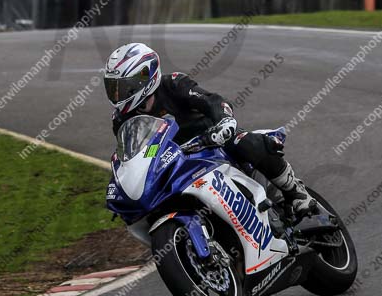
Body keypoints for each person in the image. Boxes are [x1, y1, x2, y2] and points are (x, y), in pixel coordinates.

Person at [103, 42, 317, 219]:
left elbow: (211, 100)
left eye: (121, 87)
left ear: (144, 77)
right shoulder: (121, 119)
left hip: (211, 141)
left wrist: (224, 122)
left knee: (243, 141)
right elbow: (131, 155)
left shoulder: (174, 84)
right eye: (112, 88)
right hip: (174, 162)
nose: (117, 94)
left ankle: (296, 192)